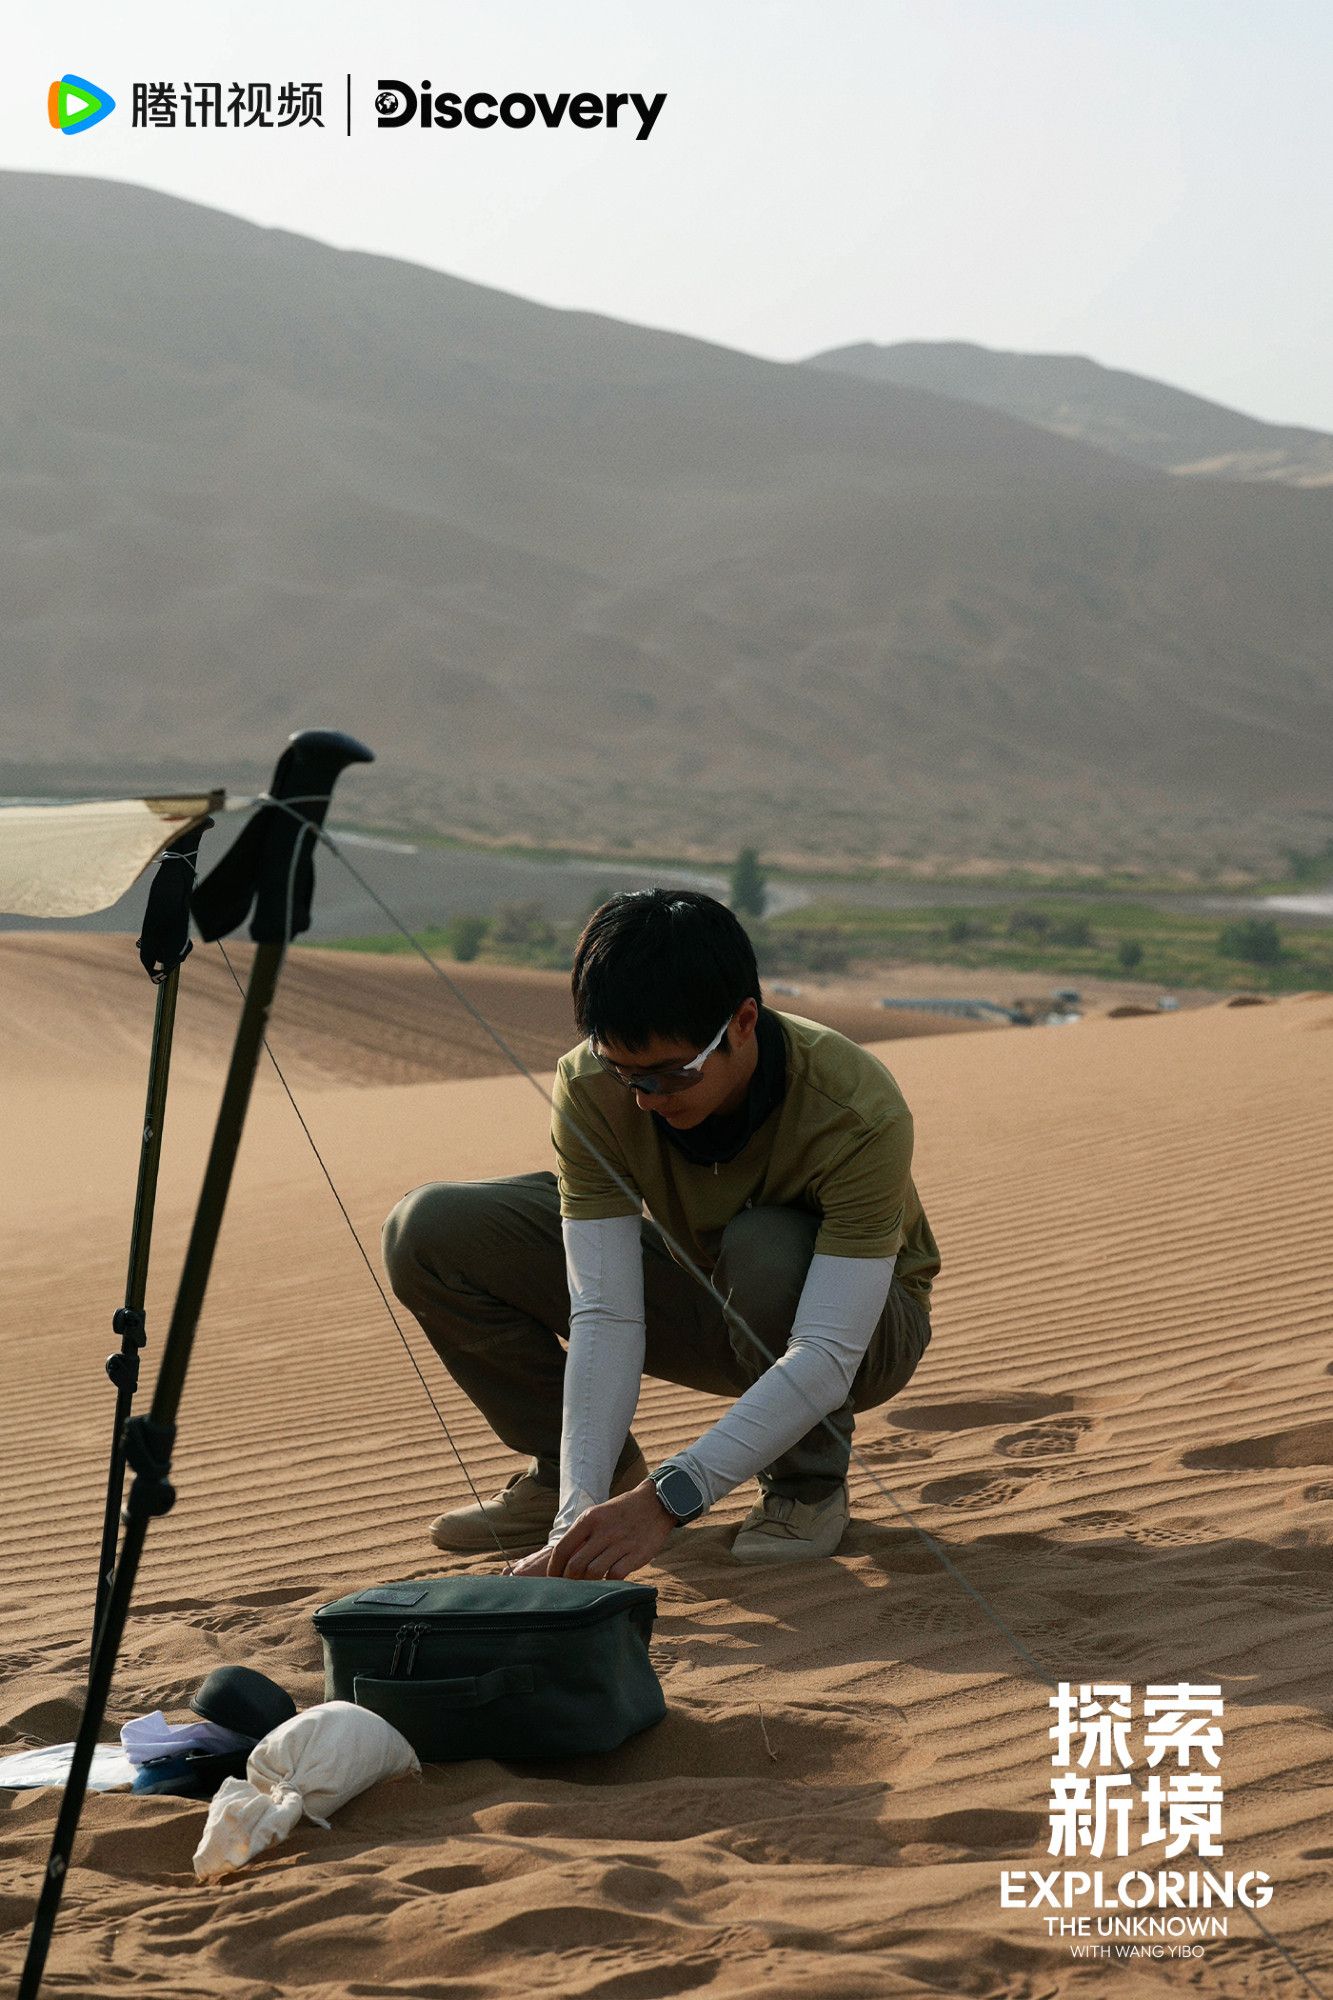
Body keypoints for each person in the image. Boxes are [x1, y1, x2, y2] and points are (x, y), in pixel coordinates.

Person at [381, 889, 940, 1579]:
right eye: (625, 1072)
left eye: (672, 1074)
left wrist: (669, 1500)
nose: (644, 1097)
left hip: (860, 1332)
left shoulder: (855, 1108)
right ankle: (576, 1479)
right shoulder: (590, 1086)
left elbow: (827, 1352)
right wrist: (577, 1518)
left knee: (764, 1246)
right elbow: (605, 1308)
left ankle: (804, 1487)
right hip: (712, 1294)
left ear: (741, 1023)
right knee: (431, 1229)